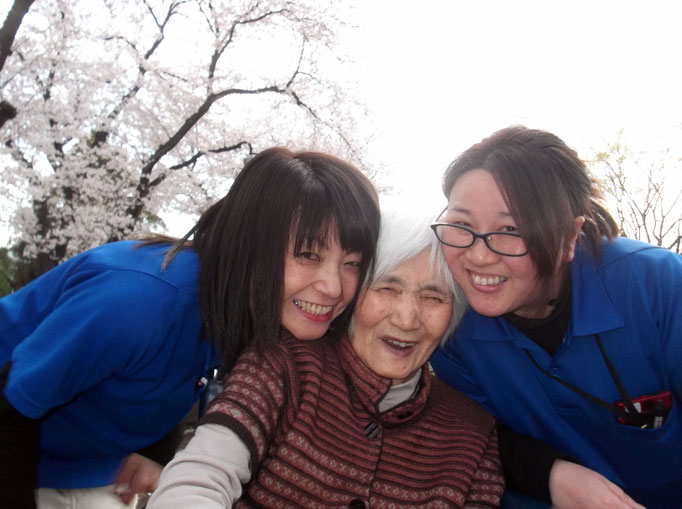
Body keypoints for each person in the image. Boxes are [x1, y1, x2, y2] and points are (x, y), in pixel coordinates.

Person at [0, 147, 380, 509]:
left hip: (84, 468)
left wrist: (155, 451)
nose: (334, 287)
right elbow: (12, 402)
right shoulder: (139, 303)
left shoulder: (252, 307)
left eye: (352, 262)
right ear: (249, 244)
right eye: (308, 254)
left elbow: (178, 375)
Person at [147, 204, 505, 508]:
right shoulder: (283, 365)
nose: (407, 319)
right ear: (353, 294)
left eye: (434, 298)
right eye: (386, 288)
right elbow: (201, 476)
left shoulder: (473, 431)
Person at [429, 126, 682, 509]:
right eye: (462, 226)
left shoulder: (658, 286)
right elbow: (475, 434)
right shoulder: (451, 328)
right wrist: (550, 474)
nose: (479, 256)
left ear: (568, 237)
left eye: (511, 229)